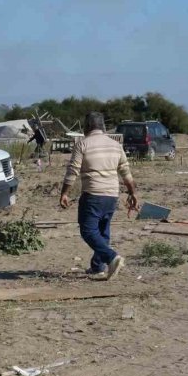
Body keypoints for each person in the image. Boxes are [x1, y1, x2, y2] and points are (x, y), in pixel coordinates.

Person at [59, 112, 138, 280]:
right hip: (112, 195)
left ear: (87, 126)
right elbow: (126, 172)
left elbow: (73, 171)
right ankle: (98, 267)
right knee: (103, 231)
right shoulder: (115, 145)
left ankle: (111, 258)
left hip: (93, 194)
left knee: (88, 230)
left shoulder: (83, 144)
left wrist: (64, 192)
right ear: (102, 126)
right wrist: (132, 193)